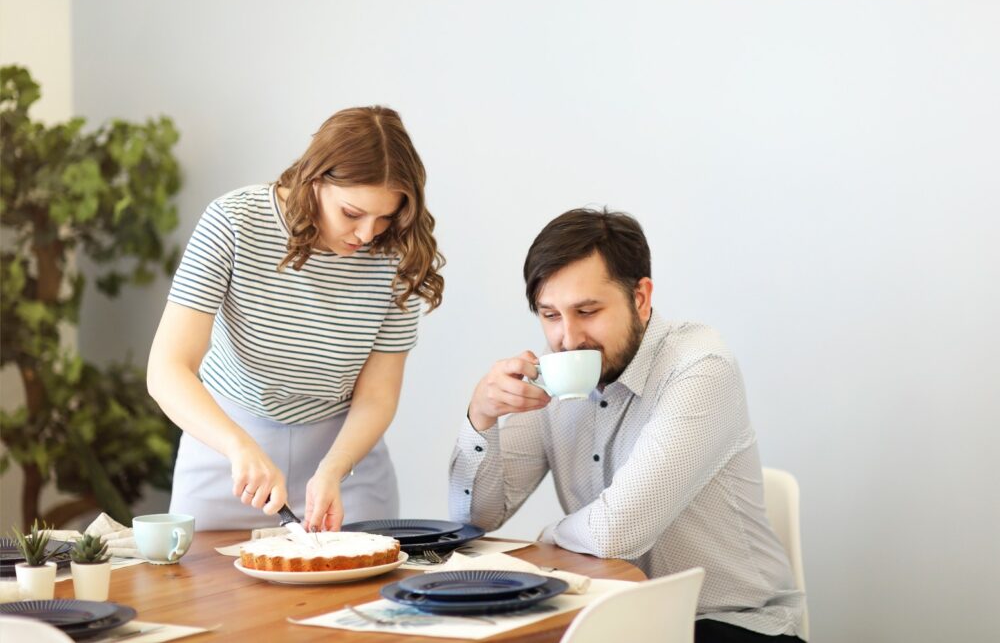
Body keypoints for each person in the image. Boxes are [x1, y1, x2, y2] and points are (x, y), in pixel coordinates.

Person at [449, 208, 805, 642]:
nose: (569, 338)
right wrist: (481, 419)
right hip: (614, 622)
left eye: (587, 310)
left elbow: (618, 532)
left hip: (727, 622)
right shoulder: (555, 370)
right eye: (550, 315)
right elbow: (477, 520)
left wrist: (549, 537)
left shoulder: (700, 367)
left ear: (640, 297)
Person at [148, 106, 443, 532]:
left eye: (384, 218)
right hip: (228, 450)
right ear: (314, 180)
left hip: (345, 458)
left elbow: (378, 394)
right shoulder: (233, 221)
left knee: (363, 592)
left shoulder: (397, 253)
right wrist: (237, 447)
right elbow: (167, 370)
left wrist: (334, 469)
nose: (367, 235)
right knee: (207, 591)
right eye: (352, 213)